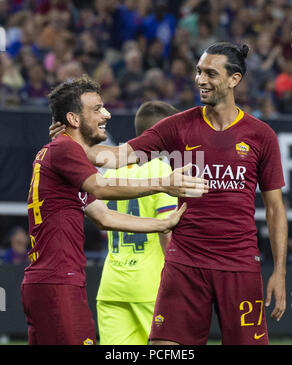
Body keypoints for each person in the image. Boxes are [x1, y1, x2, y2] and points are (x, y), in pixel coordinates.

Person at [83, 42, 287, 345]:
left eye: (210, 74)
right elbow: (116, 157)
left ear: (234, 80)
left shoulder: (261, 135)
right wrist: (73, 143)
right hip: (185, 262)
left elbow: (274, 209)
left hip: (239, 264)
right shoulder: (177, 126)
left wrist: (279, 271)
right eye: (198, 72)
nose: (200, 80)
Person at [21, 75, 207, 345]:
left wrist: (161, 225)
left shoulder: (57, 153)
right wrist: (163, 184)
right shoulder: (65, 151)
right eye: (97, 109)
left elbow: (104, 216)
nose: (106, 114)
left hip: (53, 281)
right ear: (74, 119)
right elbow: (101, 188)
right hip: (62, 281)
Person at [96, 101, 179, 345]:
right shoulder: (162, 171)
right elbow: (167, 232)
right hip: (152, 287)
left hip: (112, 285)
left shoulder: (112, 172)